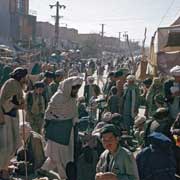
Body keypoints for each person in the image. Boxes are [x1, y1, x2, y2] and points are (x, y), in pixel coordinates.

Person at [40, 76, 83, 179]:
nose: (76, 90)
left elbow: (74, 115)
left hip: (68, 132)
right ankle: (64, 176)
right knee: (60, 156)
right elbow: (49, 113)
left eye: (77, 88)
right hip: (57, 132)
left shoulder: (72, 99)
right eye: (74, 88)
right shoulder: (58, 97)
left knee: (62, 156)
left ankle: (44, 169)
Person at [0, 67, 27, 180]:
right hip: (6, 119)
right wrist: (18, 106)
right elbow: (5, 102)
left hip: (12, 118)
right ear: (20, 77)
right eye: (24, 77)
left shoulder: (16, 84)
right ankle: (3, 170)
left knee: (13, 144)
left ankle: (4, 167)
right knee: (6, 146)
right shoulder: (12, 83)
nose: (25, 79)